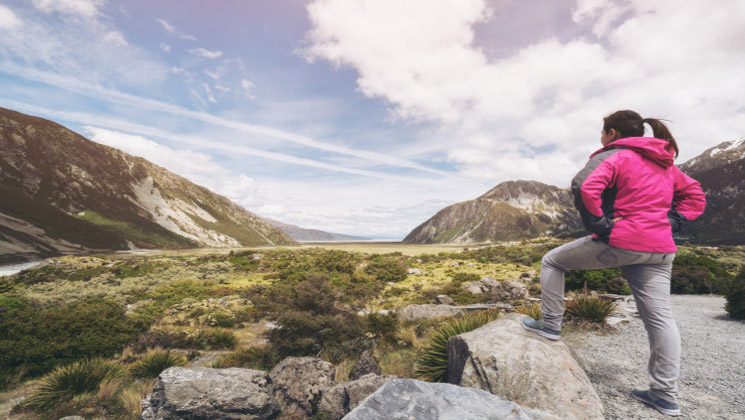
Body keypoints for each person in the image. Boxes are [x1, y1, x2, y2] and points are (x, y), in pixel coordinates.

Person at [521, 110, 706, 417]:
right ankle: (665, 395)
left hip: (624, 240)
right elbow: (695, 195)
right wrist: (673, 221)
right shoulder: (664, 162)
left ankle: (551, 326)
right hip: (661, 248)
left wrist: (600, 224)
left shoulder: (618, 156)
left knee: (552, 261)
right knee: (660, 318)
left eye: (603, 131)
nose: (601, 137)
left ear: (613, 133)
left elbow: (584, 185)